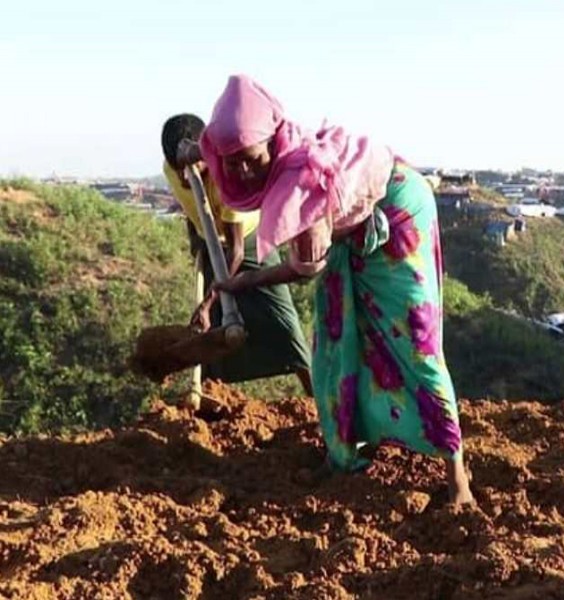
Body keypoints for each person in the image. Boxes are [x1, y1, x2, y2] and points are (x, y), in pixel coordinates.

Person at [185, 75, 473, 504]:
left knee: (415, 343)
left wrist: (244, 281)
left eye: (248, 157)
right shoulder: (278, 149)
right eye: (231, 161)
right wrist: (193, 154)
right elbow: (214, 149)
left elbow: (305, 268)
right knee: (336, 342)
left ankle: (457, 480)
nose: (241, 170)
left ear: (271, 140)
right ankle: (343, 453)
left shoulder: (298, 182)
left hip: (397, 213)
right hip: (347, 229)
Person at [161, 114, 313, 395]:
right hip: (212, 241)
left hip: (249, 242)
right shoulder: (171, 169)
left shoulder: (226, 180)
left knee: (283, 323)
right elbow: (190, 205)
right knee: (212, 332)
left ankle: (316, 397)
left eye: (192, 168)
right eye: (177, 168)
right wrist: (196, 239)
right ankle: (211, 395)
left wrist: (207, 301)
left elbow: (237, 251)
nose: (185, 176)